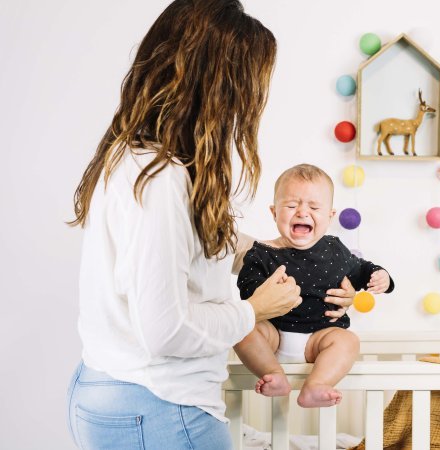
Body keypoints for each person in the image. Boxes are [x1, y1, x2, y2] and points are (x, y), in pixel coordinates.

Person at [65, 2, 354, 448]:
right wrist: (254, 310)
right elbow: (165, 330)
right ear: (218, 88)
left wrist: (299, 261)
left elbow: (193, 246)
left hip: (122, 394)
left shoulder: (136, 159)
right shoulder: (161, 179)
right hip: (159, 406)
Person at [234, 164, 395, 408]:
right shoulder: (261, 253)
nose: (302, 212)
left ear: (330, 216)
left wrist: (380, 275)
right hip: (273, 336)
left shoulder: (334, 250)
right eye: (291, 205)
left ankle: (317, 384)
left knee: (347, 341)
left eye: (314, 207)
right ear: (273, 212)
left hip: (318, 340)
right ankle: (272, 373)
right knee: (241, 327)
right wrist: (266, 288)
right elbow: (247, 291)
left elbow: (360, 270)